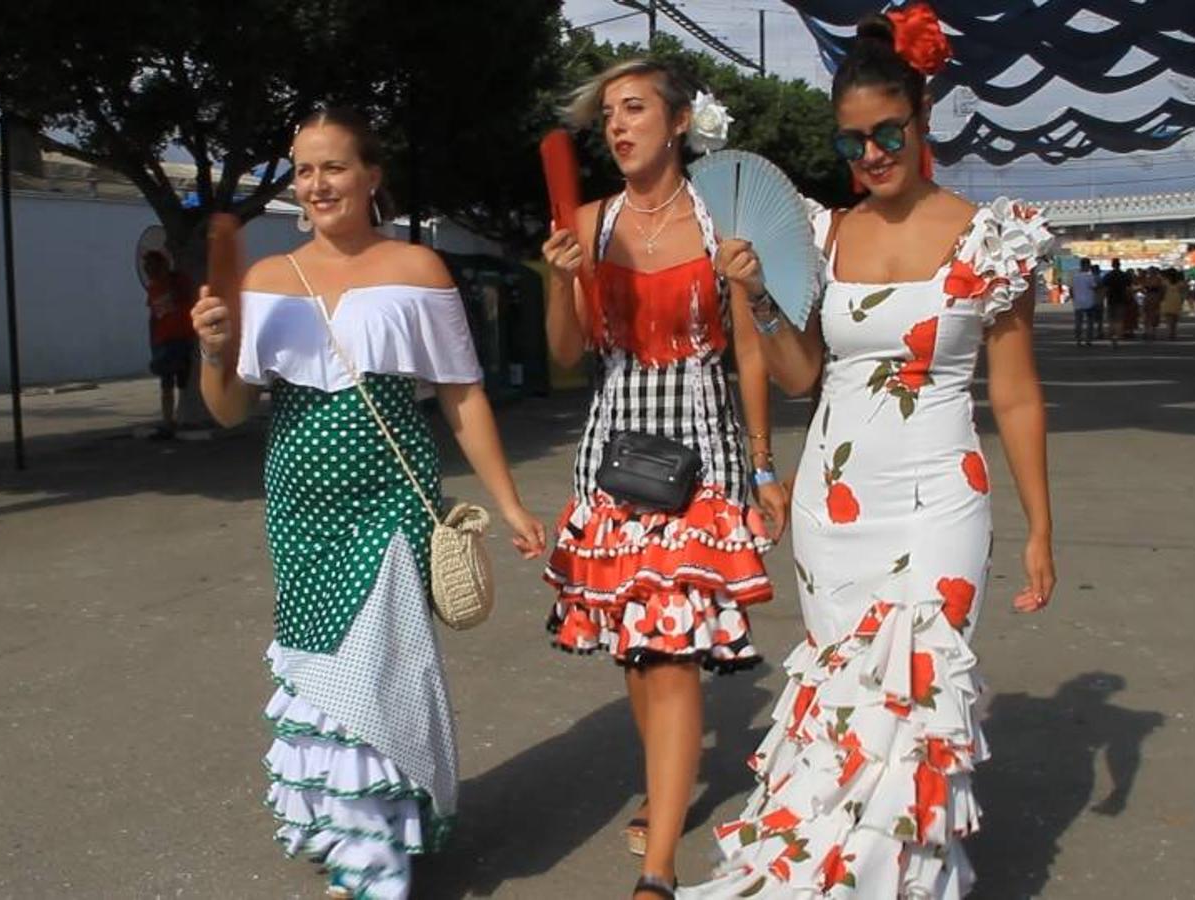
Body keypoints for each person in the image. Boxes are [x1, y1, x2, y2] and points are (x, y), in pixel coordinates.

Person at [687, 5, 1055, 896]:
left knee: (917, 704)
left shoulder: (988, 239)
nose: (871, 156)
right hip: (832, 507)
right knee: (844, 711)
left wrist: (1043, 529)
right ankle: (830, 875)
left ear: (924, 120)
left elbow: (1013, 394)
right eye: (852, 143)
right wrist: (761, 301)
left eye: (887, 133)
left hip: (942, 499)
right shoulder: (826, 235)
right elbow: (803, 372)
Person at [189, 107, 546, 899]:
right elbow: (226, 409)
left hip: (391, 502)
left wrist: (510, 503)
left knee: (381, 670)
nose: (317, 185)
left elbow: (462, 394)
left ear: (371, 176)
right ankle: (346, 827)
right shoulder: (264, 280)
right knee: (321, 674)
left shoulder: (418, 268)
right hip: (298, 508)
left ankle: (374, 862)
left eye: (334, 167)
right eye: (303, 170)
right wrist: (213, 351)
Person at [540, 59, 787, 900]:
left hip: (702, 456)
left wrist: (762, 467)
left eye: (635, 109)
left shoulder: (725, 224)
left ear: (679, 123)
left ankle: (658, 874)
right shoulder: (590, 222)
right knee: (638, 655)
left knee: (672, 650)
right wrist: (558, 274)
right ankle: (664, 782)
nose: (617, 126)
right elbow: (569, 355)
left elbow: (751, 351)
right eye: (608, 113)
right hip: (613, 456)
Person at [143, 250, 197, 436]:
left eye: (150, 264)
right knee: (166, 383)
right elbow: (154, 316)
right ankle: (168, 420)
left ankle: (182, 417)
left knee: (183, 381)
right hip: (163, 341)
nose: (147, 269)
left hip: (182, 338)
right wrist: (153, 342)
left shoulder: (178, 280)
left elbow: (186, 297)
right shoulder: (154, 288)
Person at [1101, 257, 1133, 346]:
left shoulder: (1108, 275)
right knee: (1119, 319)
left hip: (1111, 299)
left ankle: (1112, 336)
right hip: (1122, 299)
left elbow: (1104, 288)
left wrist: (1103, 298)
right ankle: (1118, 336)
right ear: (1120, 264)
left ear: (1112, 265)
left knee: (1111, 319)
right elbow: (1129, 288)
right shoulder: (1125, 275)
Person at [1069, 257, 1100, 346]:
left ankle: (1078, 339)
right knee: (1090, 322)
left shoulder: (1075, 276)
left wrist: (1073, 298)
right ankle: (1088, 340)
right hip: (1089, 301)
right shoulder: (1090, 277)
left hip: (1078, 302)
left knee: (1078, 321)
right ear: (1087, 265)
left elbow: (1071, 289)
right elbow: (1094, 287)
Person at [1160, 267, 1187, 341]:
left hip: (1168, 299)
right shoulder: (1180, 282)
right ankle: (1173, 332)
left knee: (1169, 318)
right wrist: (1182, 300)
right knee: (1175, 318)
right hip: (1177, 299)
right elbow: (1184, 292)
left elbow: (1162, 291)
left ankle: (1170, 333)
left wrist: (1161, 300)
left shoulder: (1165, 282)